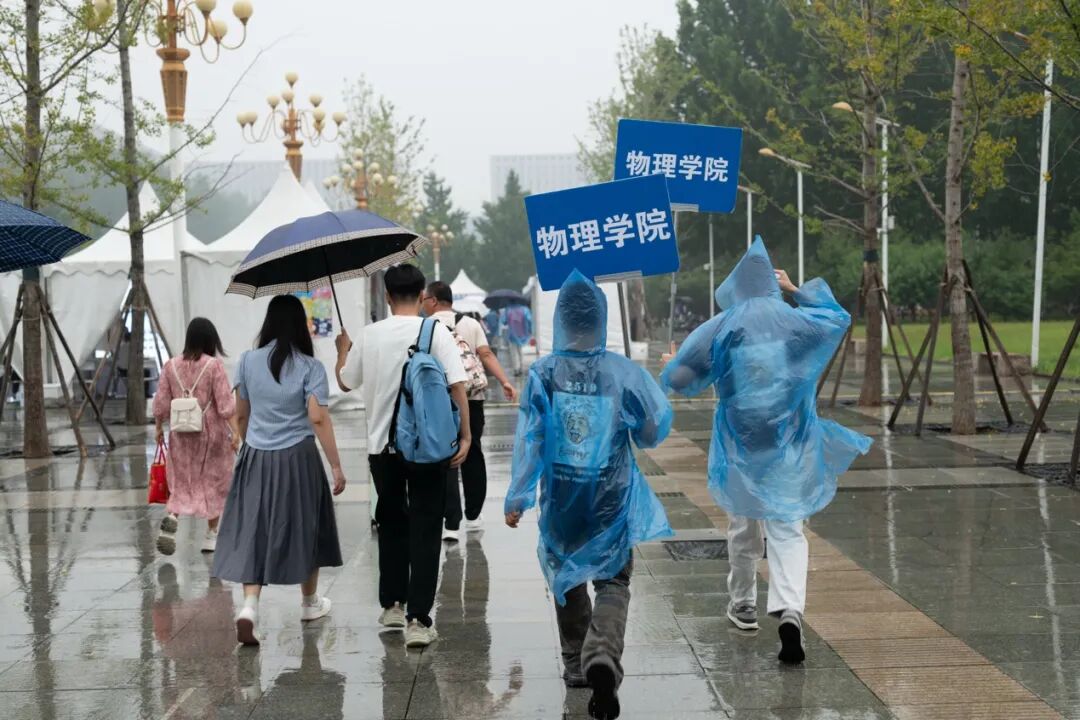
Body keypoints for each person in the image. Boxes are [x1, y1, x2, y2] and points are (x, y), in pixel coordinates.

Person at [661, 238, 871, 665]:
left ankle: (742, 604)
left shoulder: (721, 326)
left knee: (743, 526)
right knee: (787, 528)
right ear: (771, 283)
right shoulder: (795, 322)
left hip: (740, 446)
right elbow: (836, 318)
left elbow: (681, 378)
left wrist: (672, 362)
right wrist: (797, 291)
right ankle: (789, 608)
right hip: (789, 443)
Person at [505, 270, 673, 720]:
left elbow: (530, 439)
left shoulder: (543, 374)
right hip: (610, 499)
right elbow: (652, 431)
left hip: (562, 498)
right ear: (601, 319)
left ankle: (577, 663)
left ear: (561, 320)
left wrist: (518, 496)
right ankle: (602, 652)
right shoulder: (623, 373)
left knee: (566, 575)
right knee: (614, 580)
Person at [335, 264, 471, 649]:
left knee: (392, 522)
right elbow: (457, 385)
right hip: (428, 447)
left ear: (387, 296)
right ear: (422, 294)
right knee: (426, 528)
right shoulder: (435, 331)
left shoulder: (369, 335)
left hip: (382, 448)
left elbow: (345, 381)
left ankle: (393, 605)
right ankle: (419, 620)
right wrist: (465, 435)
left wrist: (343, 351)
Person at [212, 295, 346, 647]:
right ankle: (309, 602)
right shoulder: (310, 367)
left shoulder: (247, 361)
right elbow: (317, 418)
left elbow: (241, 413)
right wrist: (335, 465)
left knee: (254, 528)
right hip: (299, 456)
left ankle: (250, 606)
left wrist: (248, 443)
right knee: (308, 525)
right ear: (301, 326)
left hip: (257, 455)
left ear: (268, 323)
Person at [421, 281, 518, 543]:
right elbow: (486, 355)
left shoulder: (425, 327)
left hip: (440, 400)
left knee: (446, 456)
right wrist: (505, 381)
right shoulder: (471, 324)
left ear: (433, 300)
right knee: (473, 452)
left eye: (425, 299)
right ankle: (473, 516)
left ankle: (451, 523)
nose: (423, 303)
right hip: (472, 398)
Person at [152, 317, 238, 556]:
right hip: (211, 435)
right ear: (211, 340)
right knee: (214, 481)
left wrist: (158, 427)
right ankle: (211, 535)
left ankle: (172, 516)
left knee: (182, 479)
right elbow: (225, 404)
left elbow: (161, 402)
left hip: (181, 433)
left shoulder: (170, 366)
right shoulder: (213, 366)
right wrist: (236, 432)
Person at [501, 303, 532, 376]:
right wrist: (530, 331)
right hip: (523, 334)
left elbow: (504, 321)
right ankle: (521, 368)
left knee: (514, 353)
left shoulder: (508, 309)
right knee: (521, 352)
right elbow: (529, 320)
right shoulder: (525, 309)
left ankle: (516, 370)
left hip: (512, 334)